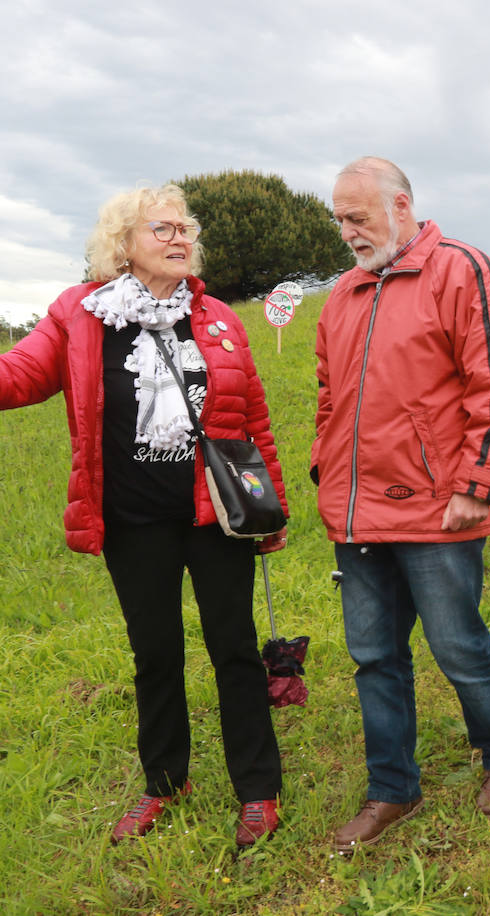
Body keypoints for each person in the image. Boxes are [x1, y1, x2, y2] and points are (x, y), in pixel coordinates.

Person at [0, 185, 288, 847]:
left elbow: (253, 420)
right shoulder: (80, 314)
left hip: (213, 516)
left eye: (185, 227)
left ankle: (257, 788)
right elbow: (19, 374)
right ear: (122, 243)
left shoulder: (217, 316)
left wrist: (267, 509)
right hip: (132, 521)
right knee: (154, 654)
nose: (180, 236)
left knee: (235, 652)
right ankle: (165, 781)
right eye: (162, 228)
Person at [314, 157, 490, 853]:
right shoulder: (342, 296)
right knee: (373, 657)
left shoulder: (463, 270)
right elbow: (328, 397)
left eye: (358, 217)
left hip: (439, 510)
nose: (347, 232)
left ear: (401, 205)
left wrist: (479, 483)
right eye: (339, 220)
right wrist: (326, 473)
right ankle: (391, 788)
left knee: (458, 646)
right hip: (357, 514)